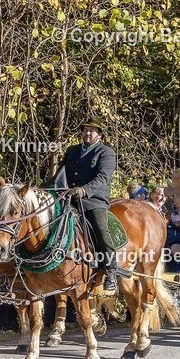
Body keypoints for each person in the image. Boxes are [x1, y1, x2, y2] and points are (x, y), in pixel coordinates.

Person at [61, 120, 119, 292]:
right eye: (86, 130)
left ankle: (110, 271)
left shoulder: (106, 153)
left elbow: (102, 178)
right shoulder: (72, 151)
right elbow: (61, 173)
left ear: (99, 135)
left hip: (93, 200)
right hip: (69, 199)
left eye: (92, 131)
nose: (88, 133)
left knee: (101, 229)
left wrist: (84, 190)